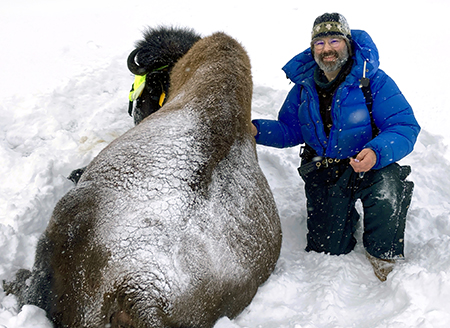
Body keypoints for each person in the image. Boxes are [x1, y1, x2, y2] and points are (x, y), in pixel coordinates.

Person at [252, 13, 420, 281]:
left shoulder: (373, 80)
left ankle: (382, 250)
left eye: (334, 40)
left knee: (386, 190)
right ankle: (343, 218)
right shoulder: (303, 88)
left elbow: (404, 126)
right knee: (328, 247)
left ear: (348, 44)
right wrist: (255, 130)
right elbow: (290, 130)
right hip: (325, 170)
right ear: (312, 49)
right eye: (319, 43)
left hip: (368, 165)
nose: (327, 48)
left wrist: (376, 152)